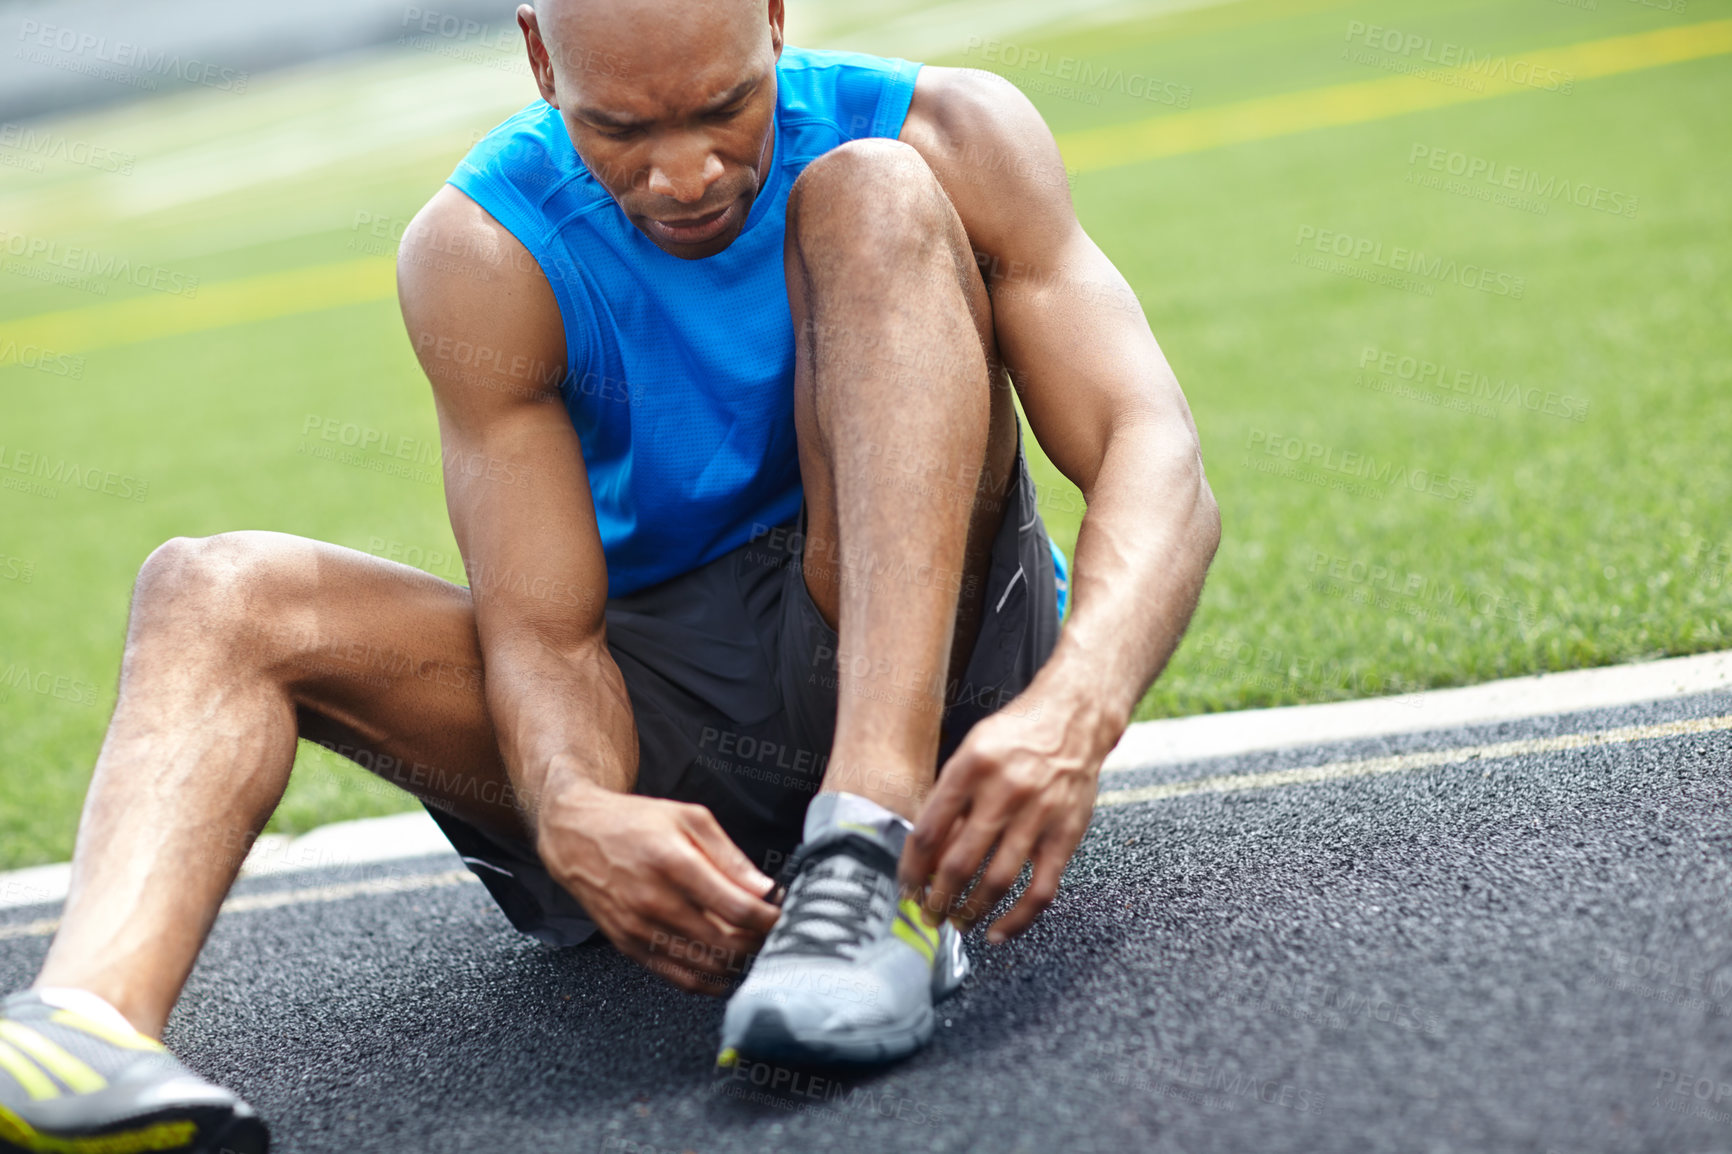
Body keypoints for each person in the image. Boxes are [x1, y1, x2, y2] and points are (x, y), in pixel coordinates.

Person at [0, 0, 1219, 1149]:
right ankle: (81, 1024)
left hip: (913, 647)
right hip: (658, 705)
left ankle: (870, 854)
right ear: (540, 59)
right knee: (211, 589)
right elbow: (545, 635)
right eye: (620, 128)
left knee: (874, 198)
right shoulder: (485, 250)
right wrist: (576, 801)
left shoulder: (944, 132)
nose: (683, 173)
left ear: (776, 19)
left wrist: (1078, 703)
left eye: (724, 108)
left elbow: (1147, 447)